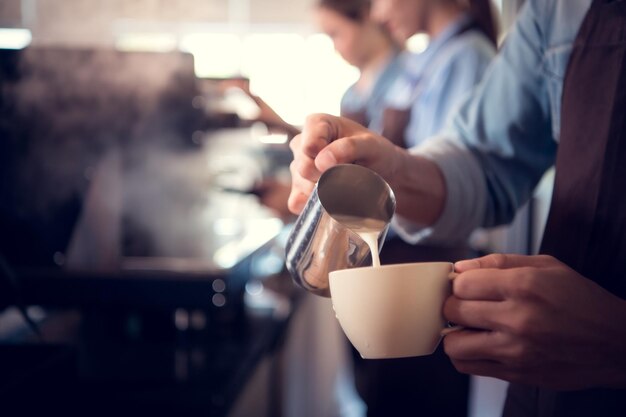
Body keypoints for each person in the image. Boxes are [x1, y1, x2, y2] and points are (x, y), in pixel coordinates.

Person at [287, 0, 626, 415]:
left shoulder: (465, 55)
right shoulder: (554, 10)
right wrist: (393, 167)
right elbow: (485, 162)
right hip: (553, 383)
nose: (375, 13)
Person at [343, 1, 497, 415]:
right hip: (398, 264)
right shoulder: (423, 60)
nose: (375, 14)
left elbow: (461, 180)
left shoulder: (468, 57)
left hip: (428, 270)